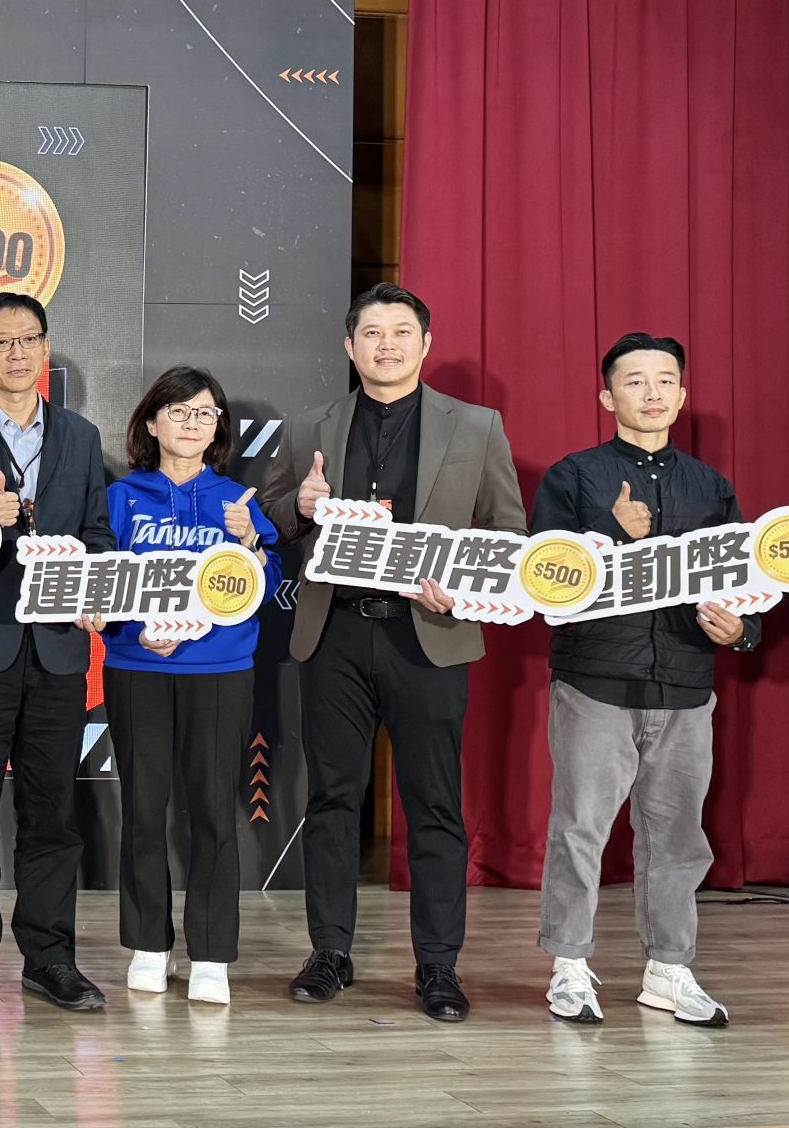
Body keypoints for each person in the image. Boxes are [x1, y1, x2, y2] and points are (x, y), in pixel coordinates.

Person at [258, 282, 526, 1023]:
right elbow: (271, 514)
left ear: (425, 343)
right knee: (332, 799)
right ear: (350, 346)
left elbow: (508, 530)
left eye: (401, 331)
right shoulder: (309, 425)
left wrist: (462, 587)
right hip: (335, 634)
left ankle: (438, 965)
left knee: (434, 805)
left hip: (427, 636)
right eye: (371, 332)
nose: (387, 344)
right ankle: (330, 952)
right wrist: (298, 507)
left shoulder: (477, 426)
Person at [531, 333, 756, 1028]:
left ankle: (669, 970)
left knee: (678, 835)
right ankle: (570, 966)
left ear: (682, 395)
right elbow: (544, 578)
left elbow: (744, 581)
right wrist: (611, 528)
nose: (651, 392)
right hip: (596, 678)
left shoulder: (711, 486)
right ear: (607, 397)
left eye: (664, 380)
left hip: (686, 683)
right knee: (581, 828)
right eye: (634, 381)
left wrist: (742, 630)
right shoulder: (573, 477)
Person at [0, 291, 116, 1013]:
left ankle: (50, 956)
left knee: (53, 812)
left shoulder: (80, 435)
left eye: (27, 338)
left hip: (60, 649)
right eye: (0, 342)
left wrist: (91, 585)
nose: (16, 352)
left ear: (44, 346)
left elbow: (98, 533)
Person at [100, 365, 278, 1006]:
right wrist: (133, 626)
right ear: (152, 423)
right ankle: (149, 944)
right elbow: (102, 582)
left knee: (212, 813)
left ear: (218, 427)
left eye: (205, 412)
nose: (192, 423)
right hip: (138, 668)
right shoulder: (122, 496)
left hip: (220, 671)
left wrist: (251, 543)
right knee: (144, 810)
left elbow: (266, 586)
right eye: (178, 411)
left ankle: (210, 953)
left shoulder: (238, 501)